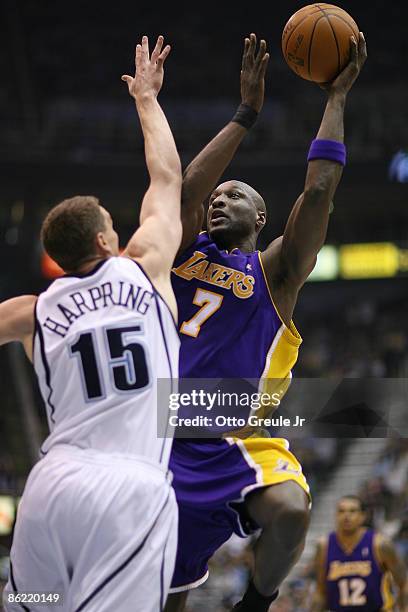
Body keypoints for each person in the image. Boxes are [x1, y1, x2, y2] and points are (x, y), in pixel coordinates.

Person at [165, 32, 368, 612]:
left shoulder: (274, 271)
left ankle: (255, 605)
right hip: (160, 439)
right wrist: (245, 115)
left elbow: (322, 188)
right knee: (166, 598)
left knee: (290, 510)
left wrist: (336, 98)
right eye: (216, 196)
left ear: (261, 216)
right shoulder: (179, 253)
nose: (218, 200)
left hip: (236, 437)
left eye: (235, 196)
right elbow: (184, 192)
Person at [1, 35, 182, 612]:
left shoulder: (33, 310)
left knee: (35, 603)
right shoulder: (145, 268)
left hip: (48, 494)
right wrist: (147, 100)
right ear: (107, 239)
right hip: (126, 493)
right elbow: (167, 180)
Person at [310, 495, 408, 611]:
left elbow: (404, 583)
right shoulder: (324, 546)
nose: (347, 516)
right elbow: (320, 592)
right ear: (336, 515)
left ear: (362, 516)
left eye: (352, 511)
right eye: (341, 511)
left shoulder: (380, 544)